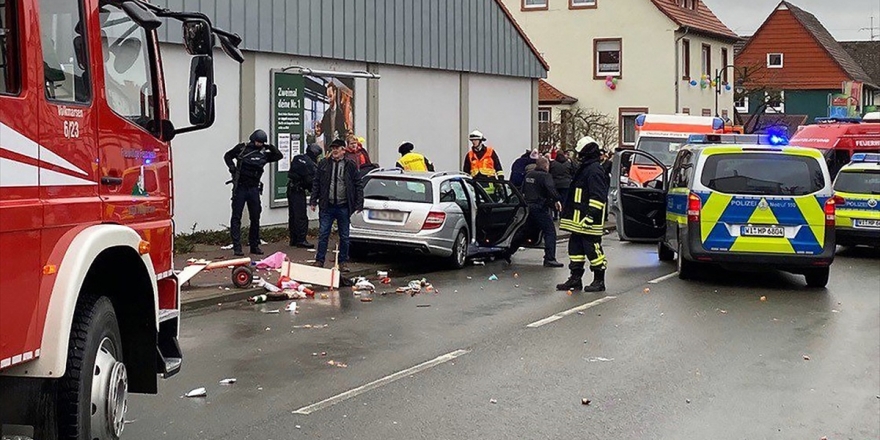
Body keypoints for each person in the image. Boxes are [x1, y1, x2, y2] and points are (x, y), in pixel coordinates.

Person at [556, 136, 610, 293]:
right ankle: (575, 278)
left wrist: (591, 216)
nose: (578, 156)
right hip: (578, 220)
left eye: (580, 153)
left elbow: (598, 196)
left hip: (588, 220)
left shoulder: (594, 170)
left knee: (593, 250)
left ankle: (599, 280)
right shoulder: (585, 168)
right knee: (575, 249)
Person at [224, 129, 283, 256]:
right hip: (240, 187)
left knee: (255, 217)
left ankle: (254, 245)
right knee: (236, 217)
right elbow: (227, 156)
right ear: (253, 140)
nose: (259, 144)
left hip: (254, 188)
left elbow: (279, 156)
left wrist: (270, 147)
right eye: (258, 142)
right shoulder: (242, 148)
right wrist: (232, 168)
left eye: (261, 142)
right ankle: (237, 247)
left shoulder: (264, 153)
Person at [310, 139, 364, 272]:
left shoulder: (350, 165)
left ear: (343, 150)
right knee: (323, 234)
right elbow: (317, 182)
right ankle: (319, 260)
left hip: (343, 205)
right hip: (327, 205)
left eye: (337, 148)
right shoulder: (324, 164)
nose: (334, 150)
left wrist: (359, 203)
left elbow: (358, 184)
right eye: (333, 148)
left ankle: (343, 262)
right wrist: (313, 200)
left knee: (344, 236)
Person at [504, 157, 564, 268]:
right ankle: (549, 258)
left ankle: (508, 252)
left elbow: (522, 190)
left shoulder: (529, 175)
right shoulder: (545, 176)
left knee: (525, 231)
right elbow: (551, 189)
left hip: (529, 207)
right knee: (550, 231)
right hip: (540, 207)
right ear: (546, 166)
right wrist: (557, 200)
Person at [287, 143, 322, 248]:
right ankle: (301, 240)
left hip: (291, 189)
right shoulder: (310, 165)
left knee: (293, 215)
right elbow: (310, 182)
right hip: (299, 191)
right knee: (301, 216)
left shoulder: (298, 158)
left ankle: (293, 239)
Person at [320, 81, 347, 149]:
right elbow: (322, 129)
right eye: (327, 97)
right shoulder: (326, 114)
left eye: (330, 96)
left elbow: (344, 131)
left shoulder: (341, 112)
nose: (329, 100)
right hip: (329, 147)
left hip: (339, 147)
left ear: (335, 93)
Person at [549, 149, 575, 219]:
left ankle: (555, 214)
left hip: (555, 184)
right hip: (566, 184)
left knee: (555, 199)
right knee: (564, 200)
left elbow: (550, 172)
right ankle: (562, 214)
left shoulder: (553, 163)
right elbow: (573, 171)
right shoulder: (568, 163)